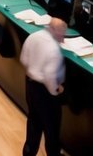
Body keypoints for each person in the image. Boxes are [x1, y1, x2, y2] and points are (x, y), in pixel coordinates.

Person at [20, 18, 68, 156]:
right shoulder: (53, 50)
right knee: (51, 129)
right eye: (61, 34)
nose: (63, 39)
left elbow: (24, 59)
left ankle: (28, 152)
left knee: (33, 124)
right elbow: (49, 76)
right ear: (53, 30)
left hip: (30, 86)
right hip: (45, 94)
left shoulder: (33, 37)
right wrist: (56, 91)